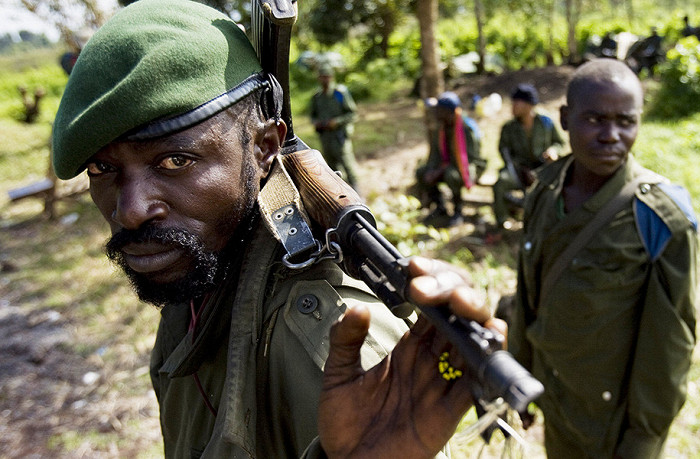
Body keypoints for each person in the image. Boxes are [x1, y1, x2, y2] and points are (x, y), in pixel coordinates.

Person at [50, 1, 504, 458]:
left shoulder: (323, 339)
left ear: (265, 147)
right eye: (102, 167)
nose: (130, 211)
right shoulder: (198, 275)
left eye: (175, 161)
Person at [509, 59, 697, 458]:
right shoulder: (545, 193)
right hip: (556, 395)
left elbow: (669, 343)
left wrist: (644, 438)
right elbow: (529, 292)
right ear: (564, 118)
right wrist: (518, 374)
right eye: (594, 119)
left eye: (625, 122)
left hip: (613, 419)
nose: (611, 135)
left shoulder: (659, 217)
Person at [492, 83, 564, 229]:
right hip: (518, 170)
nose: (512, 106)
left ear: (528, 105)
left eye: (516, 103)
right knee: (501, 183)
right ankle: (502, 220)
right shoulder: (509, 128)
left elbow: (560, 143)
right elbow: (504, 152)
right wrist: (520, 169)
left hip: (544, 169)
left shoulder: (545, 122)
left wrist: (553, 151)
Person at [415, 91, 485, 227]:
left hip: (468, 166)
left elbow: (469, 159)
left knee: (451, 175)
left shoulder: (466, 128)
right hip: (447, 166)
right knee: (422, 172)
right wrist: (432, 170)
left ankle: (458, 211)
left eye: (439, 110)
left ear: (448, 112)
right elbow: (436, 154)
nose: (435, 113)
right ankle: (440, 207)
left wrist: (440, 171)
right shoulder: (441, 128)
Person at [309, 64, 359, 189]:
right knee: (331, 167)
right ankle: (341, 191)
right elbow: (312, 116)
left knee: (347, 163)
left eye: (327, 77)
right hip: (325, 136)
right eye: (322, 77)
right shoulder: (317, 97)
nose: (325, 80)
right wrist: (316, 123)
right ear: (319, 78)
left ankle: (357, 191)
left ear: (332, 77)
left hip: (339, 136)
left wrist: (337, 122)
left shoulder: (339, 93)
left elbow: (352, 113)